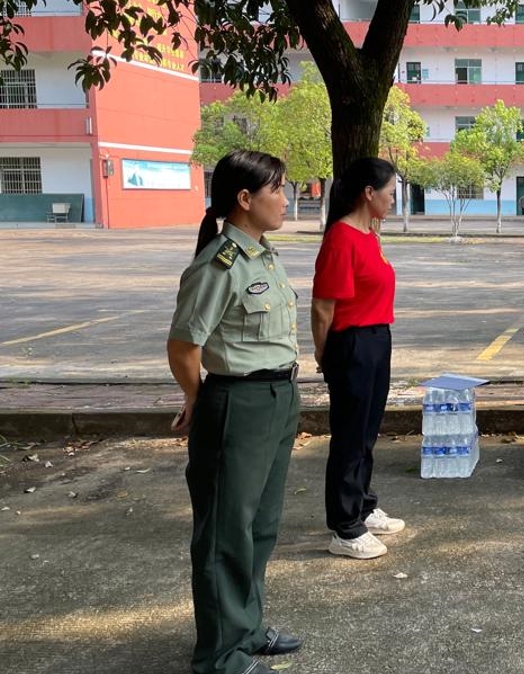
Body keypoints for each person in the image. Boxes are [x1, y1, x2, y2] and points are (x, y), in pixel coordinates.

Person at [167, 149, 302, 674]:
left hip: (277, 398)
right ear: (245, 200)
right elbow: (184, 346)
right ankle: (221, 655)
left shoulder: (265, 256)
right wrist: (198, 400)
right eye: (278, 190)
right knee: (225, 531)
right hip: (237, 403)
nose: (286, 199)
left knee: (260, 526)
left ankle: (245, 627)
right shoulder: (218, 263)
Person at [311, 157, 405, 560]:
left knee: (367, 432)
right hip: (351, 344)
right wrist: (325, 352)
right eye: (389, 193)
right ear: (369, 193)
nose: (393, 201)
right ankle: (345, 527)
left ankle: (363, 505)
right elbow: (322, 307)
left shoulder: (370, 235)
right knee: (349, 436)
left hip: (377, 338)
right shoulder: (342, 238)